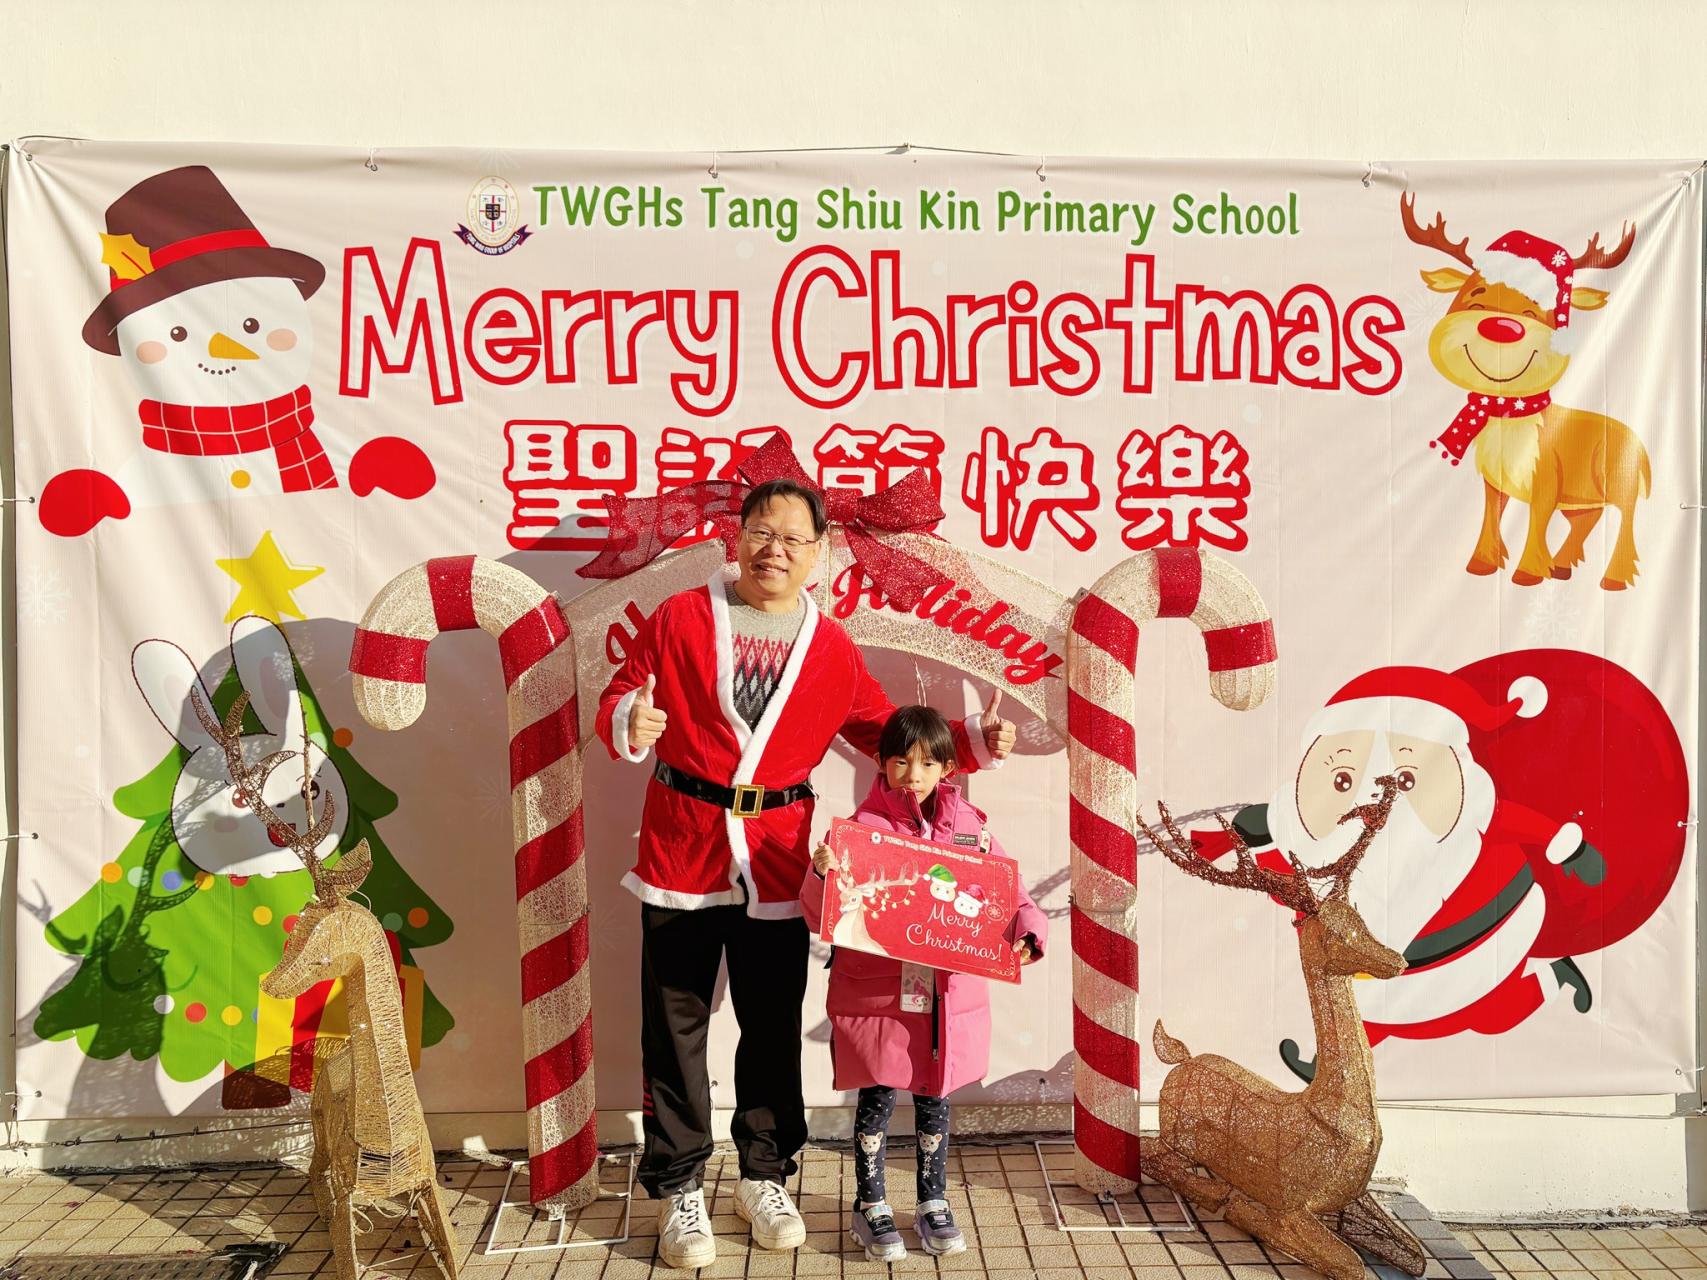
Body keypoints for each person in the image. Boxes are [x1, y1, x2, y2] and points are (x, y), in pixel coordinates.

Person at [595, 478, 1016, 1271]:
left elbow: (883, 732)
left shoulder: (829, 646)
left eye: (793, 539)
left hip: (780, 860)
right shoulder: (679, 617)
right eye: (762, 531)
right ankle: (679, 1185)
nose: (774, 550)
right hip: (682, 851)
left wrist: (970, 741)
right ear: (736, 536)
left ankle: (764, 1174)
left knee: (770, 1024)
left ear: (818, 553)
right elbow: (624, 694)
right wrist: (629, 717)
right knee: (674, 1028)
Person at [800, 704, 1046, 1262]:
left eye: (928, 763)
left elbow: (1007, 890)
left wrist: (1028, 929)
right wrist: (821, 874)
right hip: (881, 993)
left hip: (946, 995)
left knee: (934, 1097)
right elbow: (818, 913)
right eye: (901, 762)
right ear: (881, 763)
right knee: (878, 1095)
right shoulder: (860, 832)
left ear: (947, 768)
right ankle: (870, 1203)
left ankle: (933, 1200)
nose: (913, 775)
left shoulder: (971, 828)